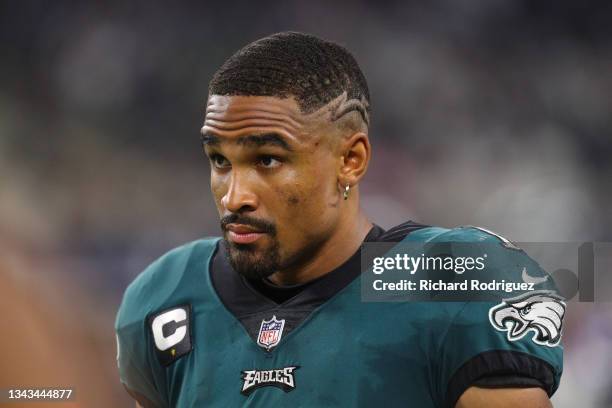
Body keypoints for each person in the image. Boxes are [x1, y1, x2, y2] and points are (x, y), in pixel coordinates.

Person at [115, 31, 564, 407]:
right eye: (219, 160)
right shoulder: (166, 296)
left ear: (350, 159)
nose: (235, 196)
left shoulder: (451, 279)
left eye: (268, 160)